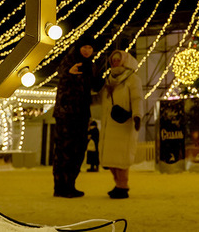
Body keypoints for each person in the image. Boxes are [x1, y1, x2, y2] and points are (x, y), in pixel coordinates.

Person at [51, 37, 96, 197]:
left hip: (81, 114)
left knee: (78, 150)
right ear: (78, 48)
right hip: (67, 114)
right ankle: (61, 185)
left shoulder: (89, 65)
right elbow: (62, 73)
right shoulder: (69, 61)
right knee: (65, 150)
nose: (87, 50)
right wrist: (69, 73)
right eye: (84, 47)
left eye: (90, 48)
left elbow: (92, 86)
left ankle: (70, 184)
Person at [99, 49, 140, 199]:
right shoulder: (109, 79)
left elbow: (137, 98)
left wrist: (137, 115)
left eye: (118, 59)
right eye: (114, 60)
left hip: (124, 124)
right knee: (111, 159)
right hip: (110, 124)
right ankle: (118, 184)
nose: (116, 62)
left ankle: (123, 185)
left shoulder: (132, 79)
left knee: (121, 159)